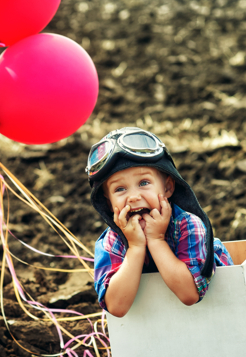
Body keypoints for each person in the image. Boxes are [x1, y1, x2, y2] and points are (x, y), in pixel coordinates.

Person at [88, 127, 233, 317]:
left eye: (143, 183)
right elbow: (116, 307)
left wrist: (156, 240)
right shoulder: (112, 241)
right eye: (120, 189)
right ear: (108, 203)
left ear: (168, 188)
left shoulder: (189, 225)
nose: (133, 197)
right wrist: (135, 247)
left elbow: (190, 295)